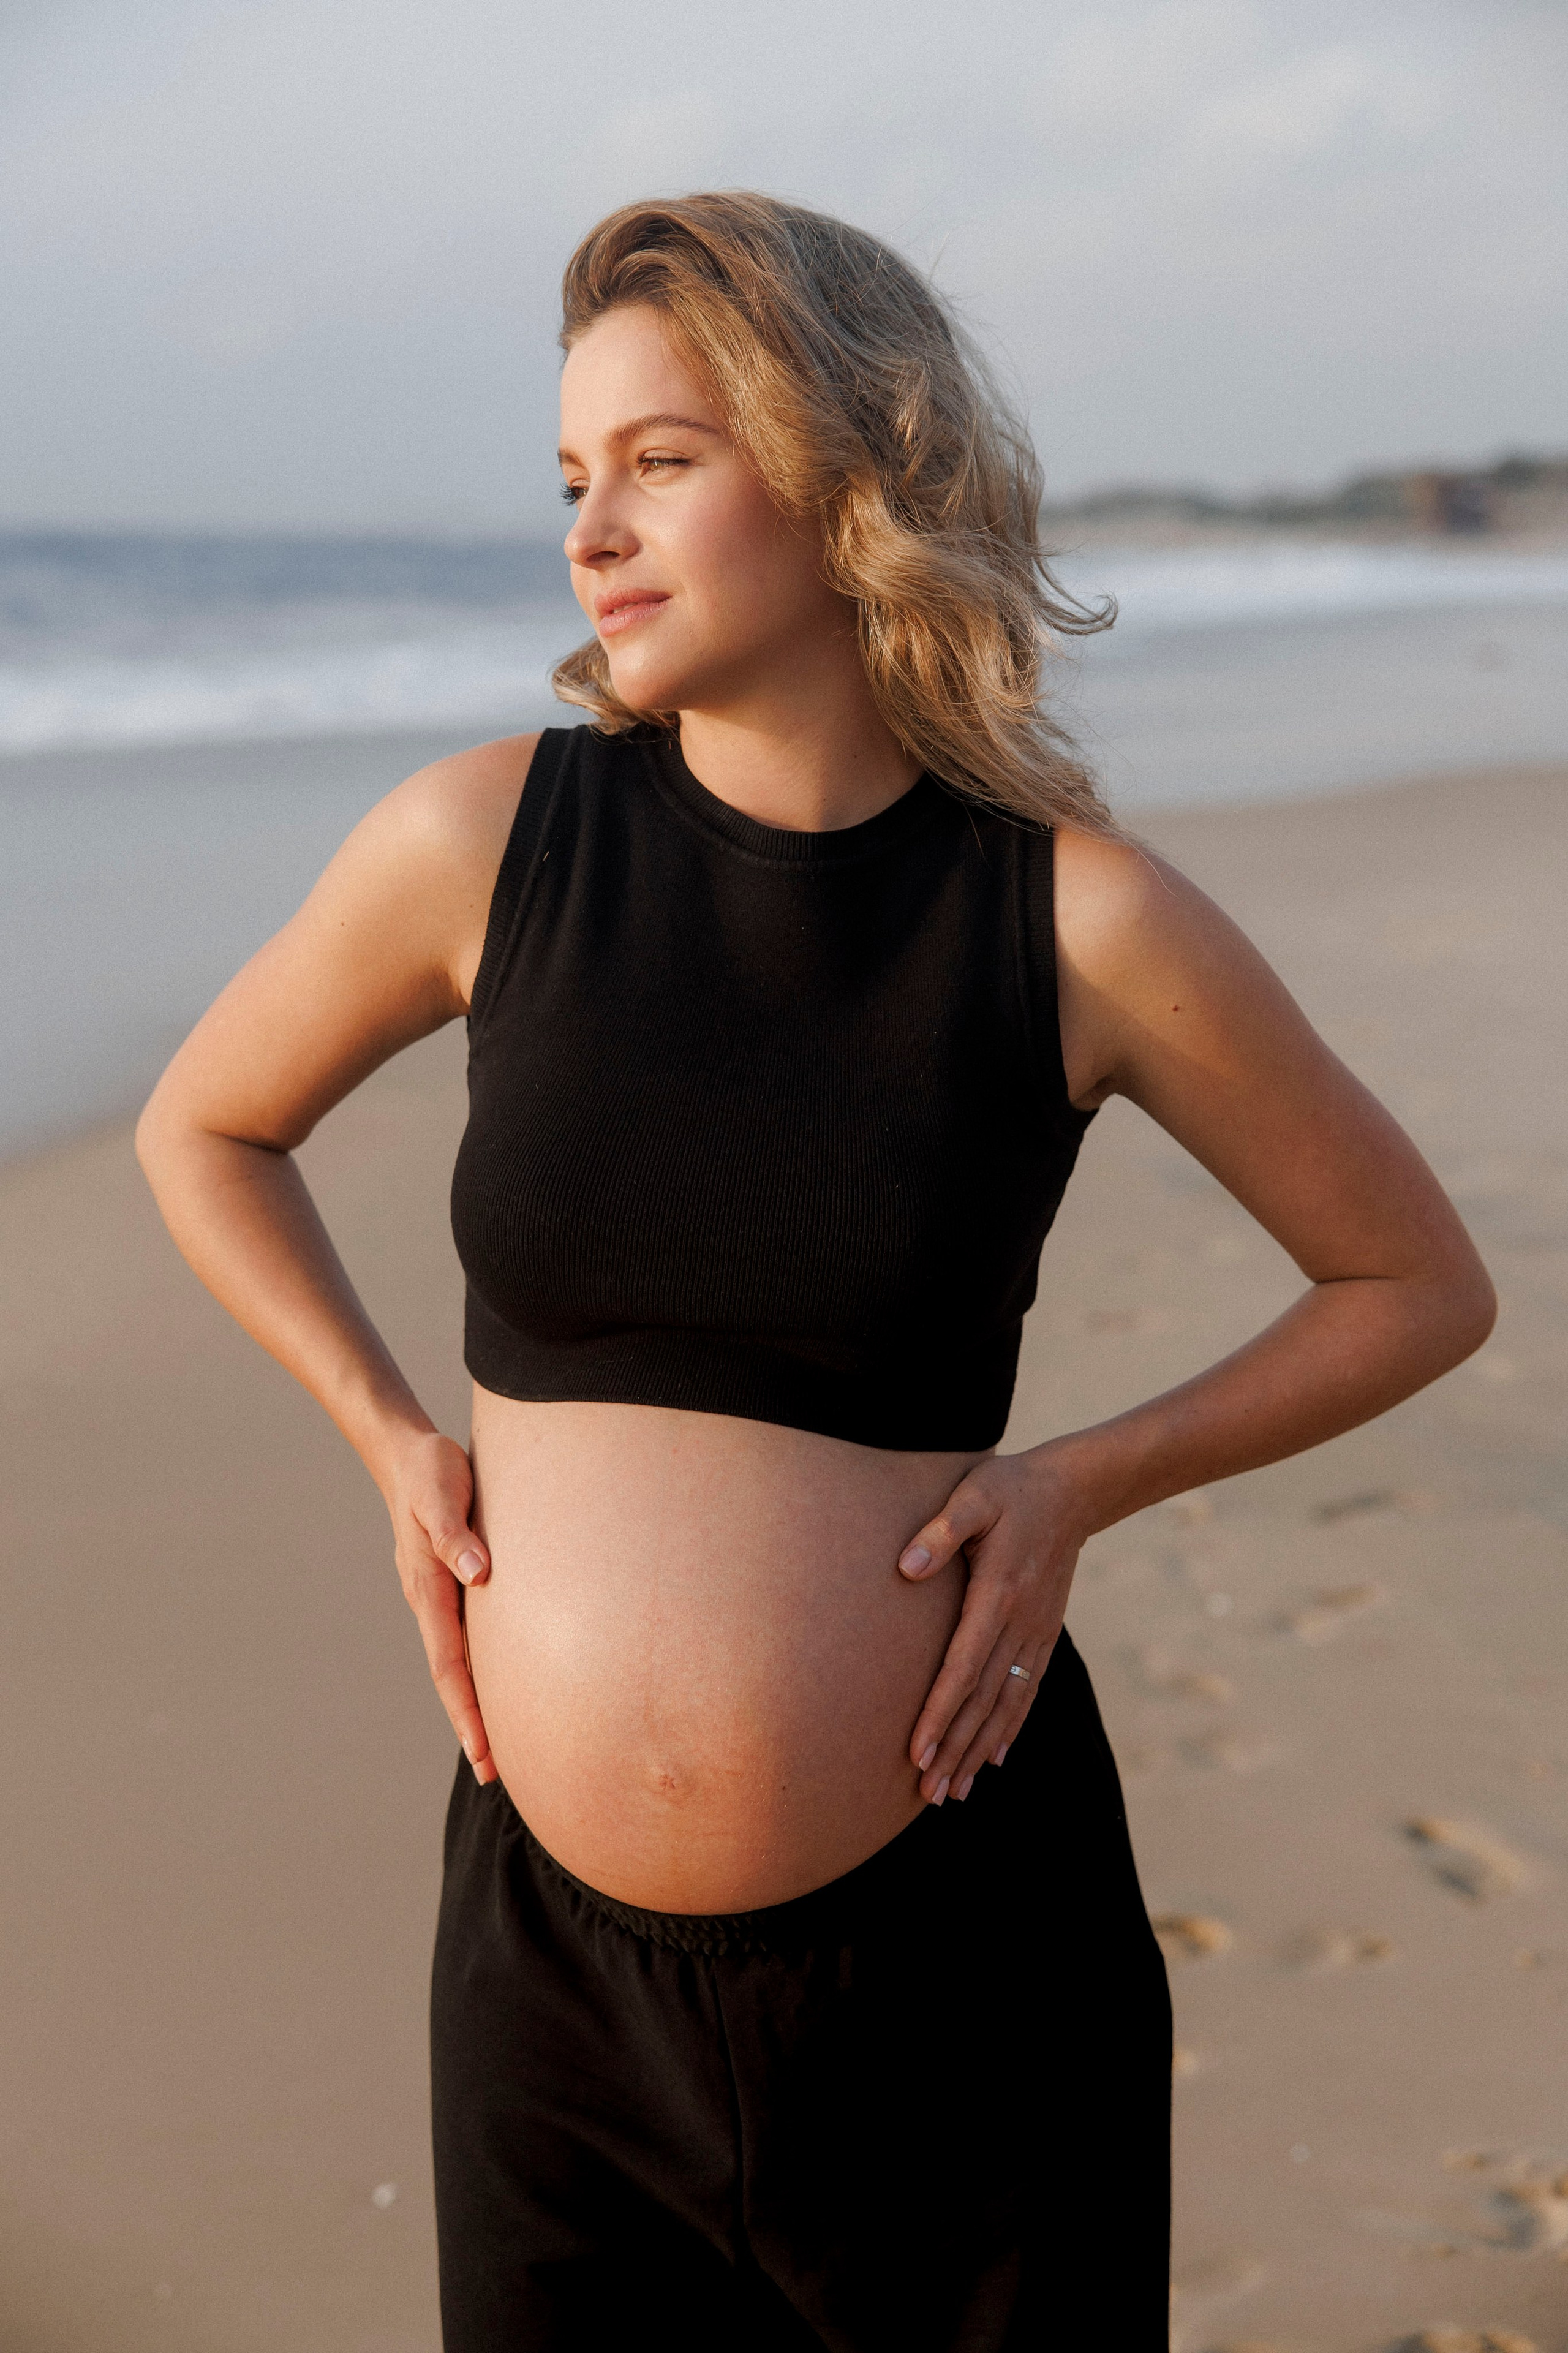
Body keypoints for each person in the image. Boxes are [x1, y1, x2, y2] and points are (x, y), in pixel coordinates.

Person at [135, 192, 1495, 2351]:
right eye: (574, 476)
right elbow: (204, 1125)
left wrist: (1080, 1480)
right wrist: (392, 1439)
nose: (594, 525)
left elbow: (1413, 1281)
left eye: (663, 459)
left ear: (859, 465)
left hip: (965, 1968)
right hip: (550, 1992)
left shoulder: (1079, 921)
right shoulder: (485, 845)